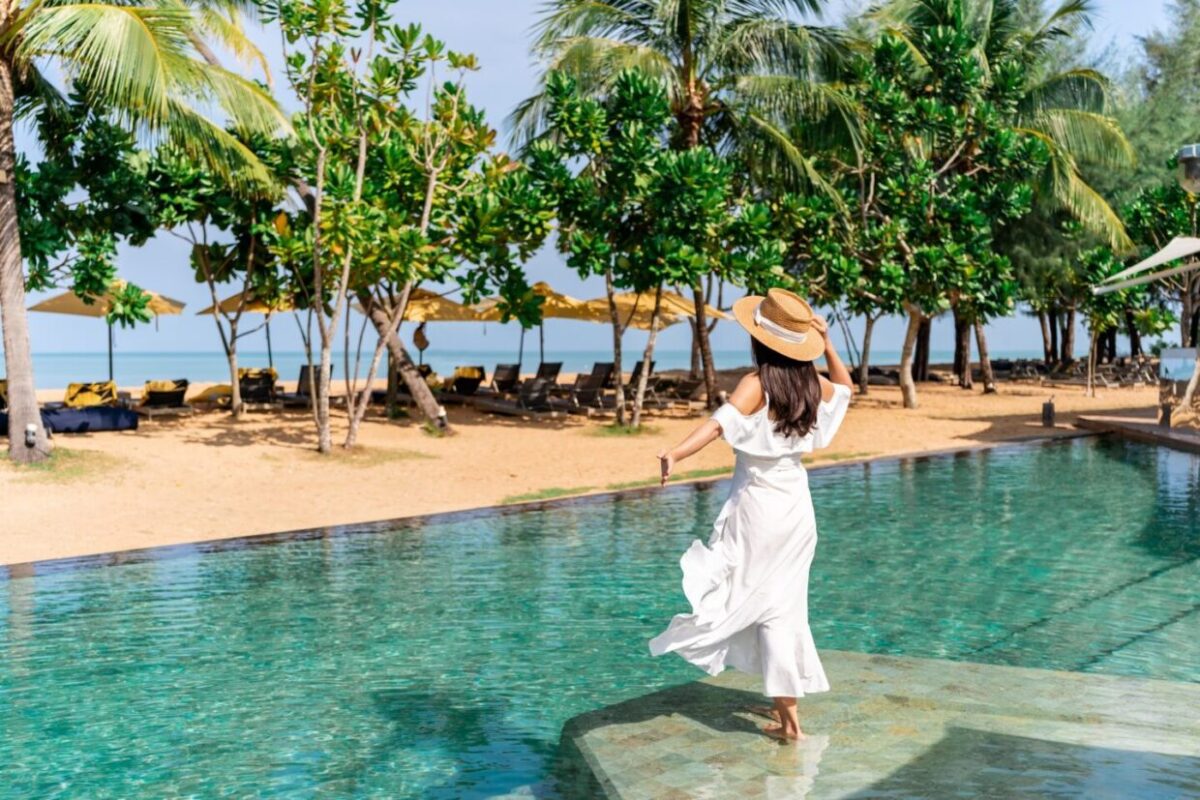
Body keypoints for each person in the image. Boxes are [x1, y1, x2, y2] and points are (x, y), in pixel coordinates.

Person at [649, 287, 853, 742]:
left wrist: (675, 453)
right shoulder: (810, 382)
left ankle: (791, 723)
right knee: (783, 607)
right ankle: (787, 715)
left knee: (756, 607)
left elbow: (718, 424)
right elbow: (846, 390)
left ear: (759, 339)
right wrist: (830, 345)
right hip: (797, 510)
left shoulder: (756, 383)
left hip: (758, 509)